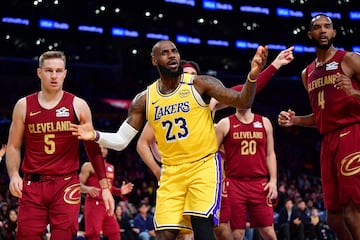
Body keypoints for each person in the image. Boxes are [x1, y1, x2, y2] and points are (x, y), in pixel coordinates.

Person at [71, 39, 268, 240]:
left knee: (201, 226)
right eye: (165, 53)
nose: (172, 55)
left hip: (203, 165)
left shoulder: (200, 84)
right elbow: (122, 140)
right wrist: (95, 135)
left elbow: (243, 100)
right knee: (164, 234)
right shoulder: (145, 98)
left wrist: (252, 76)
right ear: (154, 60)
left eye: (174, 51)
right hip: (171, 172)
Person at [137, 47, 295, 180]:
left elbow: (247, 91)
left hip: (206, 169)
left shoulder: (210, 100)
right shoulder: (162, 106)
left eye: (194, 74)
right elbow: (145, 143)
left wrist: (276, 64)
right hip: (177, 171)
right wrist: (159, 166)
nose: (190, 77)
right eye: (186, 74)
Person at [5, 50, 114, 239]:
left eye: (58, 71)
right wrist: (14, 174)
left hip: (66, 185)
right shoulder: (23, 105)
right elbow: (13, 146)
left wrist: (105, 188)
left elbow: (93, 148)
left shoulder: (78, 105)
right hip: (32, 184)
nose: (54, 76)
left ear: (65, 73)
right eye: (48, 71)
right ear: (39, 73)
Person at [277, 14, 360, 240]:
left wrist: (353, 93)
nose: (323, 30)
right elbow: (322, 116)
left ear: (334, 33)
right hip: (328, 141)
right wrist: (295, 121)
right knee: (334, 218)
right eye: (317, 27)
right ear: (310, 35)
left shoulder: (350, 59)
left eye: (327, 27)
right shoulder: (307, 74)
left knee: (353, 212)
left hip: (353, 133)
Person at [215, 107, 278, 240]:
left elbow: (270, 154)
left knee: (269, 232)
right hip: (234, 183)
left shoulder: (264, 122)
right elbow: (211, 152)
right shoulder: (225, 123)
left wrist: (273, 181)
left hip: (259, 183)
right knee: (237, 234)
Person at [80, 144, 134, 240]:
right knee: (93, 234)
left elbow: (109, 189)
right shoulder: (88, 166)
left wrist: (120, 191)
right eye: (100, 148)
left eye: (104, 148)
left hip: (107, 205)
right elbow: (78, 185)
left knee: (114, 232)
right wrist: (88, 189)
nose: (102, 150)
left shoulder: (111, 167)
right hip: (94, 203)